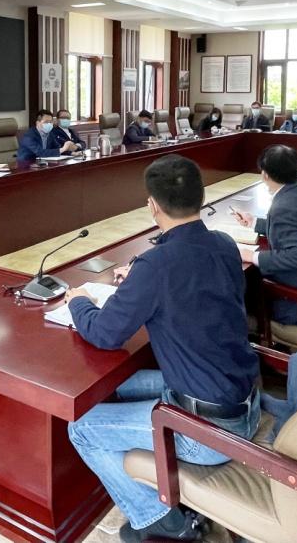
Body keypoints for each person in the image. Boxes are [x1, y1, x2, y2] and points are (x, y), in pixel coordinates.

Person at [66, 155, 258, 543]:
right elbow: (195, 287)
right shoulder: (223, 244)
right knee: (119, 387)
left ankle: (159, 521)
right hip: (242, 401)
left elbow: (105, 333)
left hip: (207, 433)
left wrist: (79, 300)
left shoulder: (156, 266)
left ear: (152, 205)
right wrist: (141, 278)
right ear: (202, 197)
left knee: (80, 429)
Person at [233, 145, 297, 328]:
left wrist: (251, 255)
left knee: (240, 292)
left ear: (265, 175)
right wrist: (254, 222)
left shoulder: (283, 206)